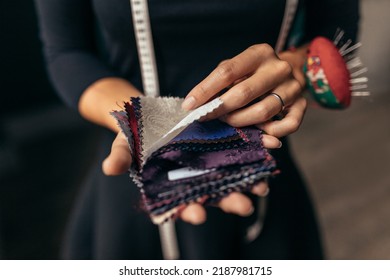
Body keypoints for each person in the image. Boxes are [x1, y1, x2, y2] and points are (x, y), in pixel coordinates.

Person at [34, 0, 359, 259]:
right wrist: (143, 122)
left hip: (262, 173)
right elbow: (67, 52)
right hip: (135, 180)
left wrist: (296, 70)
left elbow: (338, 31)